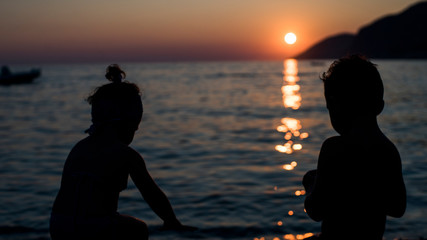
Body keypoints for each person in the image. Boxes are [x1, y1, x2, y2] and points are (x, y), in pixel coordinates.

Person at [50, 64, 196, 240]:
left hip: (59, 225)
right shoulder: (126, 155)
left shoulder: (78, 148)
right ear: (125, 123)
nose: (134, 133)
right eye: (134, 128)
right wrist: (171, 221)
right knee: (138, 229)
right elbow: (151, 193)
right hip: (95, 226)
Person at [302, 55, 406, 240]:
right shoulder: (388, 151)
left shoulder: (334, 148)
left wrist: (311, 185)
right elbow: (398, 208)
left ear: (333, 105)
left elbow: (316, 211)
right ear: (379, 107)